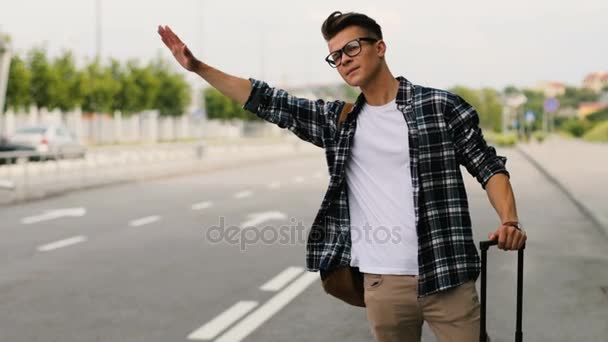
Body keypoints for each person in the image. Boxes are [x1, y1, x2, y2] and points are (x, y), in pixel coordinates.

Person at [158, 10, 527, 342]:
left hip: (448, 275)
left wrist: (508, 219)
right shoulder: (340, 122)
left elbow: (488, 165)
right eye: (336, 56)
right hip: (383, 284)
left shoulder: (441, 108)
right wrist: (199, 68)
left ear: (379, 47)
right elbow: (268, 100)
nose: (344, 60)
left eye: (351, 48)